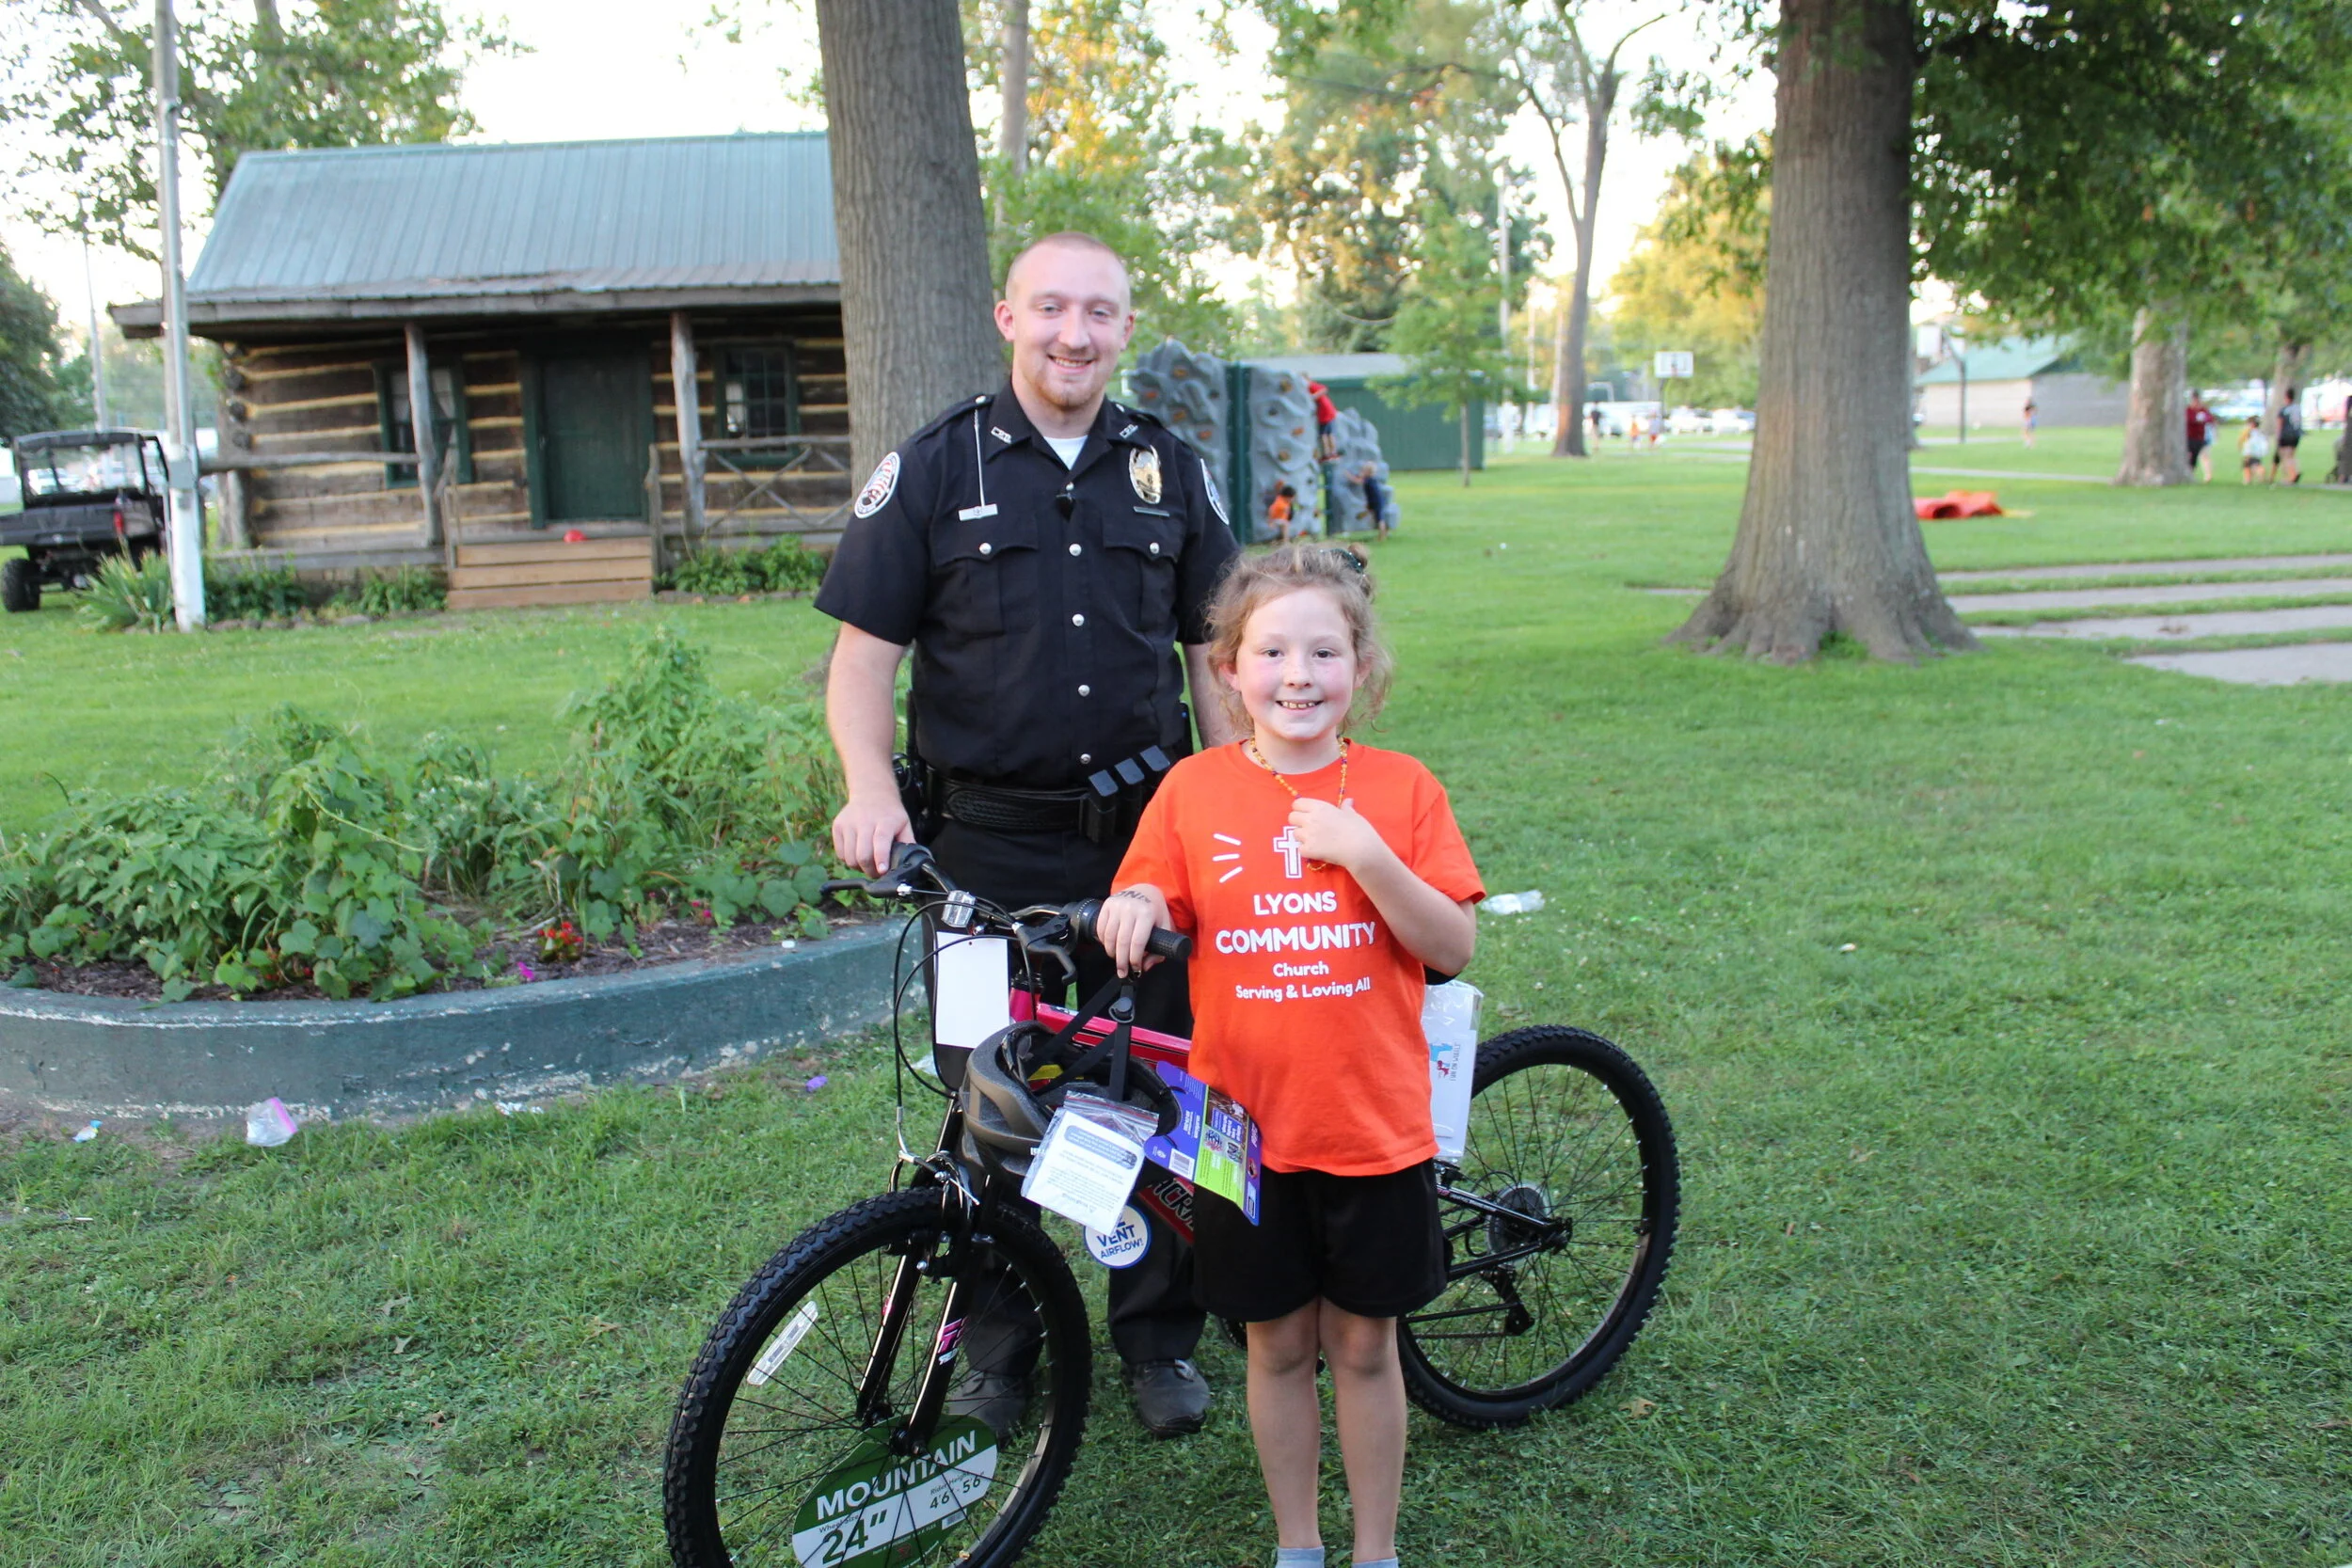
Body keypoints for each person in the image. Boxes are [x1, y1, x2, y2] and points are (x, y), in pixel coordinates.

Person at [815, 230, 1241, 1437]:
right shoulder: (936, 465)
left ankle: (1160, 1338)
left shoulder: (1170, 470)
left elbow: (1215, 659)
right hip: (981, 860)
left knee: (1152, 1085)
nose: (1073, 333)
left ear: (1124, 326)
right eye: (1051, 307)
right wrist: (867, 783)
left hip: (1142, 849)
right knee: (986, 1104)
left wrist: (1227, 807)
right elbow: (861, 662)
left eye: (1098, 312)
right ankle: (1000, 1350)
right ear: (1007, 315)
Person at [1100, 545, 1485, 1568]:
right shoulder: (1192, 790)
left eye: (1324, 649)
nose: (1299, 674)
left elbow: (1449, 945)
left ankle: (1373, 1549)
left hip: (1373, 1123)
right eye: (1272, 650)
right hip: (1241, 1130)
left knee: (1364, 1344)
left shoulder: (1400, 791)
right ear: (1229, 669)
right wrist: (1133, 901)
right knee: (1274, 1342)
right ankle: (1298, 1544)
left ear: (1361, 663)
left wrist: (1366, 852)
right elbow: (1150, 889)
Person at [2185, 390, 2217, 483]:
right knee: (2191, 457)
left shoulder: (2203, 410)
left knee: (2205, 456)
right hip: (2190, 437)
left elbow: (2210, 419)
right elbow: (2189, 420)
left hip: (2202, 438)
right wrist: (2196, 420)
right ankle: (2191, 473)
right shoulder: (2188, 410)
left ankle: (2208, 476)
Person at [2273, 390, 2303, 484]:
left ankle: (2292, 475)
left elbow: (2280, 424)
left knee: (2286, 456)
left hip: (2286, 435)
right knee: (2292, 455)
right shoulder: (2297, 408)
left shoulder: (2284, 410)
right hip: (2296, 435)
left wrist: (2278, 436)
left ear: (2286, 397)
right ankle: (2296, 470)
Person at [2238, 415, 2270, 483]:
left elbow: (2241, 439)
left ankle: (2248, 479)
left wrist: (2240, 446)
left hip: (2250, 452)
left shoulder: (2248, 431)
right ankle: (2249, 479)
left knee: (2249, 465)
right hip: (2258, 452)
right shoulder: (2260, 432)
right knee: (2251, 464)